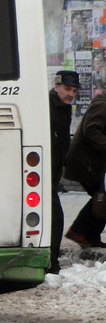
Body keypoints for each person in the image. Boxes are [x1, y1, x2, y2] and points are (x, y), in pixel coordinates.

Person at [64, 87, 106, 249]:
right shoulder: (102, 105)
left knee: (100, 196)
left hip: (93, 161)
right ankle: (79, 231)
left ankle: (88, 234)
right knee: (101, 195)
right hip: (86, 161)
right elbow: (90, 129)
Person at [48, 70, 79, 272]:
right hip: (41, 171)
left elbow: (62, 141)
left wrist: (62, 167)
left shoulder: (64, 107)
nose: (71, 94)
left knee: (53, 217)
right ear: (57, 86)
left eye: (74, 91)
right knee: (55, 217)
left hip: (53, 172)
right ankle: (51, 263)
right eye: (67, 89)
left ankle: (51, 261)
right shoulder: (47, 106)